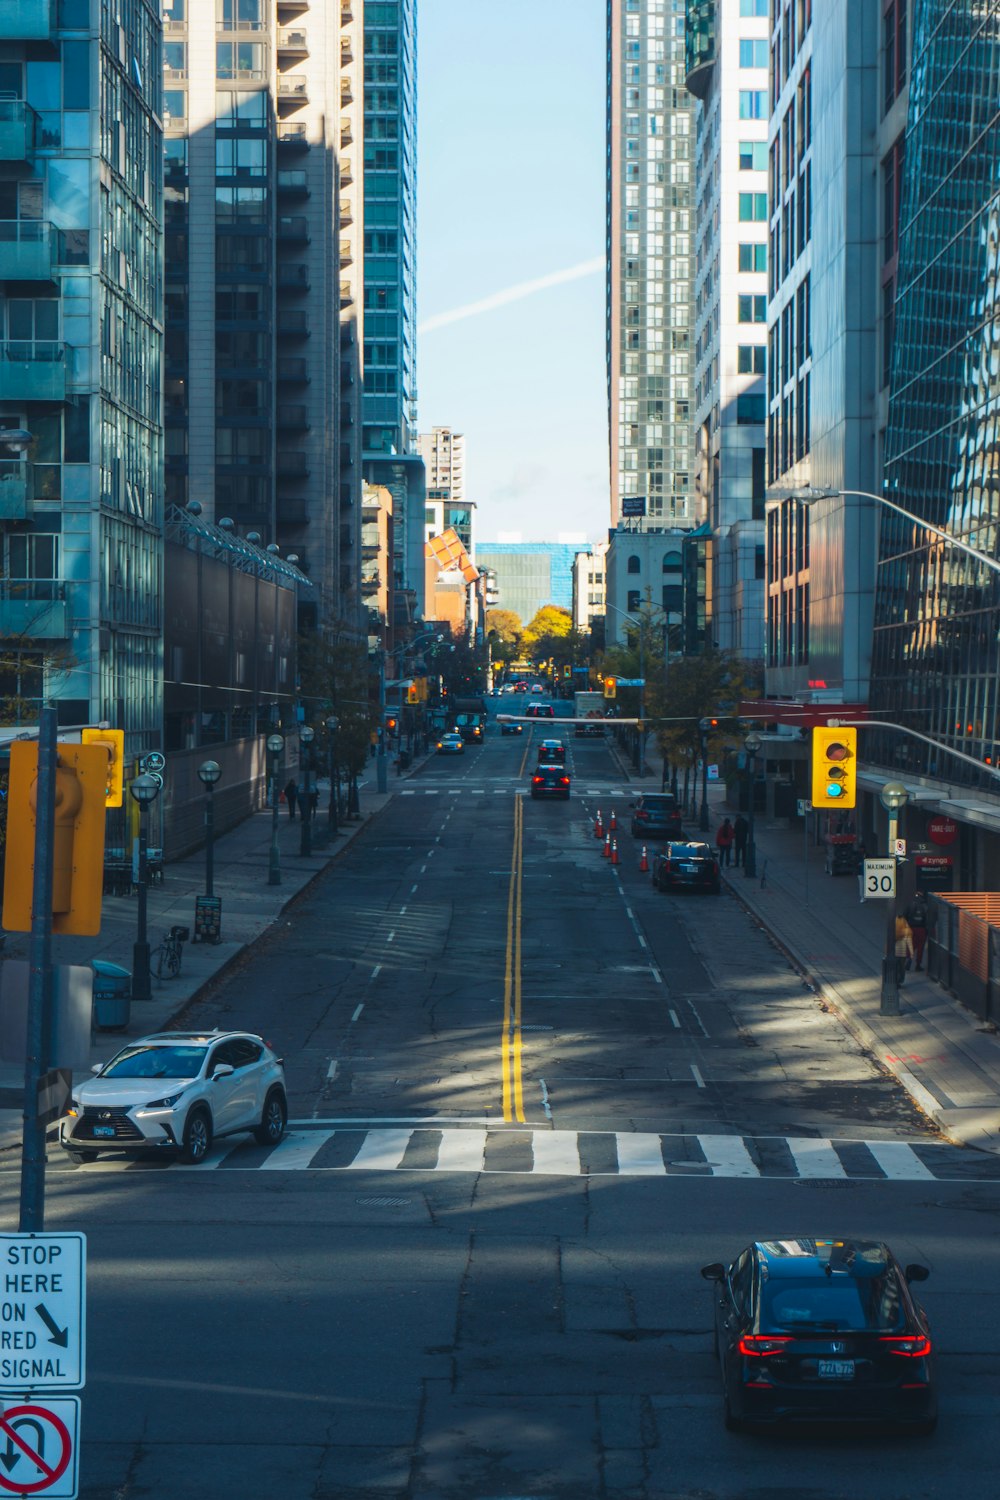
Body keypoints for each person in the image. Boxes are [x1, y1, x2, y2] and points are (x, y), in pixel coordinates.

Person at [905, 892, 929, 971]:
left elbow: (905, 915)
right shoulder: (925, 906)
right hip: (921, 929)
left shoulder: (910, 904)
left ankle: (908, 959)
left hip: (911, 928)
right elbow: (927, 919)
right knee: (920, 947)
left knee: (911, 945)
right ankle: (918, 965)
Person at [894, 914, 914, 986]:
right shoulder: (906, 931)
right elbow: (909, 943)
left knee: (895, 967)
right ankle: (899, 981)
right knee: (902, 968)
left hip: (895, 952)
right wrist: (911, 953)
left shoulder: (894, 930)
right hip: (903, 953)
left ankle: (895, 980)